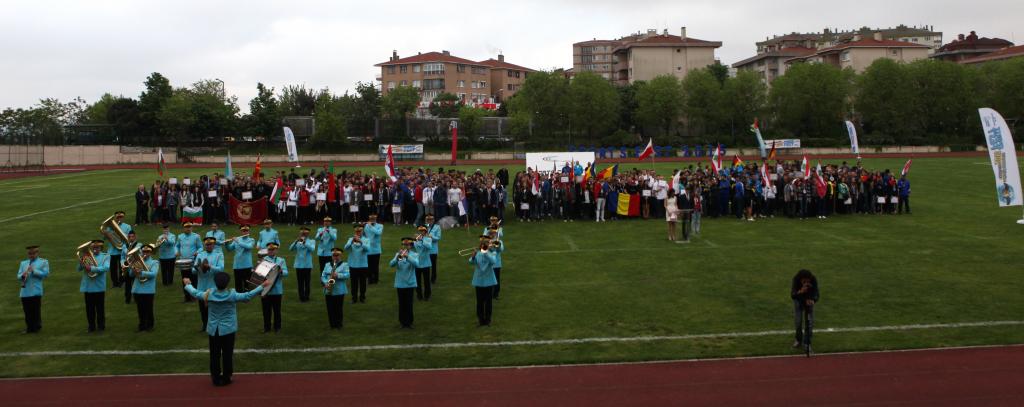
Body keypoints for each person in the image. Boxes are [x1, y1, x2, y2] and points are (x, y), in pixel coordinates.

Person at [183, 273, 270, 386]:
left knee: (214, 355)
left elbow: (195, 293)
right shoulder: (232, 295)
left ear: (215, 283)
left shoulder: (208, 294)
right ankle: (226, 377)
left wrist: (188, 284)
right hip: (228, 330)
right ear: (227, 284)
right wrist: (262, 285)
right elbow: (247, 296)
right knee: (227, 354)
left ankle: (215, 378)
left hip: (213, 329)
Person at [194, 237, 225, 332]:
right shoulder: (200, 255)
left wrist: (209, 267)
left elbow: (221, 269)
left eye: (210, 244)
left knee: (213, 308)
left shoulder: (219, 255)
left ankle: (214, 325)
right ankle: (205, 325)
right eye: (207, 245)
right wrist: (196, 268)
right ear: (205, 245)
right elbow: (193, 271)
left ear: (213, 245)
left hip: (213, 286)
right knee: (202, 308)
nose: (209, 246)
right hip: (201, 286)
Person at [79, 240, 110, 332]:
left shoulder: (105, 256)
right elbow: (79, 269)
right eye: (93, 247)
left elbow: (106, 268)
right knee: (89, 309)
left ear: (101, 248)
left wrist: (91, 268)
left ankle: (101, 326)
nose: (95, 249)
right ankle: (91, 326)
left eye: (97, 247)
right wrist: (81, 263)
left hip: (99, 286)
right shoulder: (87, 256)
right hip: (88, 287)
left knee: (100, 308)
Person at [18, 245, 49, 334]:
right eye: (29, 254)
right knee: (27, 311)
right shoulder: (23, 263)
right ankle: (29, 327)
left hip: (35, 290)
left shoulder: (43, 262)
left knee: (35, 310)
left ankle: (36, 327)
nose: (31, 255)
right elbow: (19, 275)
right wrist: (22, 275)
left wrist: (34, 271)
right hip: (25, 290)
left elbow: (45, 274)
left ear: (37, 253)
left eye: (33, 253)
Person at [390, 237, 420, 328]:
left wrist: (407, 257)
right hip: (400, 283)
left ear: (411, 246)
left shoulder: (415, 254)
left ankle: (409, 322)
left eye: (407, 245)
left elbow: (416, 264)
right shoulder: (398, 254)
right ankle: (402, 322)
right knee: (402, 304)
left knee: (409, 304)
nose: (405, 246)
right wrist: (397, 258)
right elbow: (391, 264)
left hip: (410, 283)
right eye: (403, 244)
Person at [259, 243, 289, 332]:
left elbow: (286, 273)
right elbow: (259, 274)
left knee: (277, 310)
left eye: (273, 250)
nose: (271, 251)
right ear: (267, 251)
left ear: (276, 250)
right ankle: (266, 327)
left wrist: (281, 271)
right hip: (265, 289)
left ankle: (277, 327)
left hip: (277, 289)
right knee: (266, 310)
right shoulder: (263, 260)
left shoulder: (281, 260)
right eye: (269, 250)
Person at [129, 244, 159, 331]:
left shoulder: (154, 262)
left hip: (148, 289)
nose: (145, 253)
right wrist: (133, 270)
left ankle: (150, 325)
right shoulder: (136, 261)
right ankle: (142, 325)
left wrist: (141, 272)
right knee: (140, 309)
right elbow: (131, 275)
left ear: (151, 253)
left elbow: (153, 274)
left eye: (147, 252)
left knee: (148, 309)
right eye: (144, 252)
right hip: (138, 289)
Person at [468, 239, 498, 326]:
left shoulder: (492, 253)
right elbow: (471, 262)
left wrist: (486, 253)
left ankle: (488, 320)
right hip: (479, 281)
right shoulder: (478, 253)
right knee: (479, 302)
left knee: (488, 302)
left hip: (489, 281)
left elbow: (493, 261)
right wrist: (473, 256)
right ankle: (480, 320)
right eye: (484, 245)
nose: (485, 247)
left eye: (487, 245)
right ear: (481, 245)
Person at [791, 269, 819, 356]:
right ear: (801, 279)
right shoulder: (796, 279)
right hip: (798, 301)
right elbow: (793, 295)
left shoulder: (813, 279)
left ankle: (807, 344)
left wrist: (813, 300)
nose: (806, 283)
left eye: (808, 281)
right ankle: (798, 339)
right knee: (798, 322)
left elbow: (817, 293)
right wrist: (800, 291)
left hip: (809, 302)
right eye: (804, 281)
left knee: (809, 324)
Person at [321, 248, 349, 329]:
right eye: (334, 255)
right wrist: (325, 283)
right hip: (328, 289)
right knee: (330, 308)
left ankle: (339, 324)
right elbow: (323, 275)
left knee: (338, 308)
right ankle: (332, 324)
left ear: (340, 256)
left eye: (337, 255)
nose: (335, 257)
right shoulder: (327, 265)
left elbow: (347, 275)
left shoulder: (344, 265)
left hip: (339, 290)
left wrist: (338, 275)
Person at [105, 211, 132, 288]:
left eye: (121, 217)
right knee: (113, 268)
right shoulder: (109, 227)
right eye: (117, 217)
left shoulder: (127, 226)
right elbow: (104, 238)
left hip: (122, 250)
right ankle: (115, 283)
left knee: (122, 267)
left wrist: (121, 234)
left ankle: (121, 282)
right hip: (112, 251)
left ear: (123, 218)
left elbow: (130, 238)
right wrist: (107, 232)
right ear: (114, 218)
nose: (119, 218)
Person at [176, 222, 202, 301]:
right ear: (184, 228)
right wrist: (176, 251)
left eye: (190, 227)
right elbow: (177, 246)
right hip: (183, 261)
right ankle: (187, 296)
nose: (188, 228)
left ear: (192, 228)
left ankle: (194, 296)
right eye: (186, 227)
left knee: (193, 278)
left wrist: (197, 252)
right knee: (184, 278)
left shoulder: (196, 236)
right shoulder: (180, 236)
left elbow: (200, 247)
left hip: (193, 260)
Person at [289, 227, 316, 302]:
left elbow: (312, 249)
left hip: (307, 264)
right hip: (298, 265)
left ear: (308, 234)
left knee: (307, 282)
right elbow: (290, 249)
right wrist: (295, 241)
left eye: (305, 233)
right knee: (300, 282)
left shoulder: (311, 241)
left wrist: (304, 242)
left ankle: (307, 296)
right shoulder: (297, 241)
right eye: (302, 233)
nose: (303, 234)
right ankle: (301, 297)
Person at [344, 224, 369, 303]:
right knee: (353, 283)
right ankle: (354, 298)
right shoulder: (350, 239)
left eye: (360, 231)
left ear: (362, 232)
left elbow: (368, 249)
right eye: (357, 232)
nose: (358, 233)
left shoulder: (366, 240)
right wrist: (351, 241)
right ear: (355, 232)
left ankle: (362, 297)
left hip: (363, 265)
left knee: (363, 283)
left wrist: (361, 242)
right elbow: (345, 248)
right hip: (353, 264)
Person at [226, 225, 255, 292]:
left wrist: (238, 241)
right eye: (243, 231)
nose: (245, 232)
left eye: (246, 231)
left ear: (248, 231)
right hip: (237, 265)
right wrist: (226, 244)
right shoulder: (237, 239)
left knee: (247, 284)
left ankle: (247, 295)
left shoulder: (251, 240)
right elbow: (229, 249)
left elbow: (249, 247)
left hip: (247, 265)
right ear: (241, 232)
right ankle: (238, 295)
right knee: (238, 284)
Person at [412, 226, 433, 301]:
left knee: (426, 281)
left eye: (422, 231)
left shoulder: (428, 239)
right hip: (417, 263)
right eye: (420, 231)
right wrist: (413, 240)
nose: (421, 232)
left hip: (426, 263)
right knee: (417, 281)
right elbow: (413, 248)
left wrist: (422, 239)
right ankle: (419, 295)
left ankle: (427, 295)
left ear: (425, 231)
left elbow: (429, 247)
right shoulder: (416, 240)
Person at [120, 231, 141, 304]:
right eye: (129, 237)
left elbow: (140, 255)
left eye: (132, 236)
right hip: (127, 268)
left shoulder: (139, 245)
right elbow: (122, 257)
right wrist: (122, 263)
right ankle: (127, 299)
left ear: (135, 237)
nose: (131, 238)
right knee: (127, 284)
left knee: (136, 284)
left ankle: (136, 299)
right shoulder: (124, 246)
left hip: (135, 267)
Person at [364, 214, 383, 284]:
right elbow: (365, 234)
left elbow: (378, 233)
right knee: (369, 265)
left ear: (375, 219)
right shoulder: (366, 226)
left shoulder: (380, 226)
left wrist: (371, 226)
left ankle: (376, 279)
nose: (372, 220)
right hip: (368, 248)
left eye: (373, 219)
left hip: (376, 249)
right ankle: (370, 279)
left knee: (375, 265)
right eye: (371, 219)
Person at [487, 227, 505, 300]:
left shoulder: (499, 241)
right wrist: (489, 246)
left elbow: (501, 249)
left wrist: (498, 245)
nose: (492, 235)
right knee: (488, 279)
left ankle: (496, 294)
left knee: (496, 279)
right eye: (491, 234)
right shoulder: (487, 242)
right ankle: (489, 293)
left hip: (497, 264)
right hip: (488, 263)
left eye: (494, 233)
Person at [425, 214, 441, 284]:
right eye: (428, 220)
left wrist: (431, 237)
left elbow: (438, 238)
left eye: (431, 219)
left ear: (433, 220)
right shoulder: (424, 227)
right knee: (426, 265)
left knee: (433, 265)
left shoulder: (437, 227)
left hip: (433, 250)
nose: (429, 221)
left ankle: (433, 279)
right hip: (425, 249)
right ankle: (426, 278)